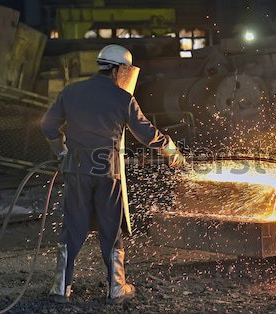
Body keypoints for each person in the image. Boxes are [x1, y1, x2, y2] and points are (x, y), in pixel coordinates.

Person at [41, 44, 184, 304]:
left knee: (73, 227)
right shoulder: (122, 98)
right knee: (110, 227)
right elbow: (146, 133)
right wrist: (171, 150)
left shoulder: (71, 92)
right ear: (119, 70)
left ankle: (61, 289)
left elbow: (48, 124)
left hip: (76, 169)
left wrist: (62, 152)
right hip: (108, 171)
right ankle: (116, 288)